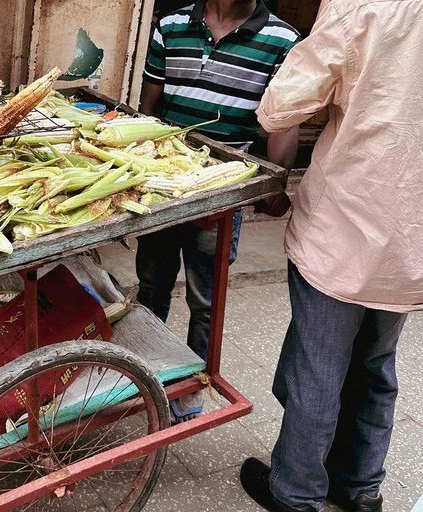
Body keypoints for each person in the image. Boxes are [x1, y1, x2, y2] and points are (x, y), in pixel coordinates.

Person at [239, 1, 423, 511]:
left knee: (318, 368)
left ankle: (296, 494)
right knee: (377, 367)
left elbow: (280, 107)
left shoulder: (361, 7)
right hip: (412, 241)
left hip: (347, 227)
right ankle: (360, 490)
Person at [137, 0, 299, 420]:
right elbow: (148, 108)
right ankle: (145, 375)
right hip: (163, 186)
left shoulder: (282, 40)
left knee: (206, 298)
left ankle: (190, 391)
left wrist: (277, 180)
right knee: (152, 285)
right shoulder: (170, 26)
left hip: (222, 193)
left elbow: (283, 120)